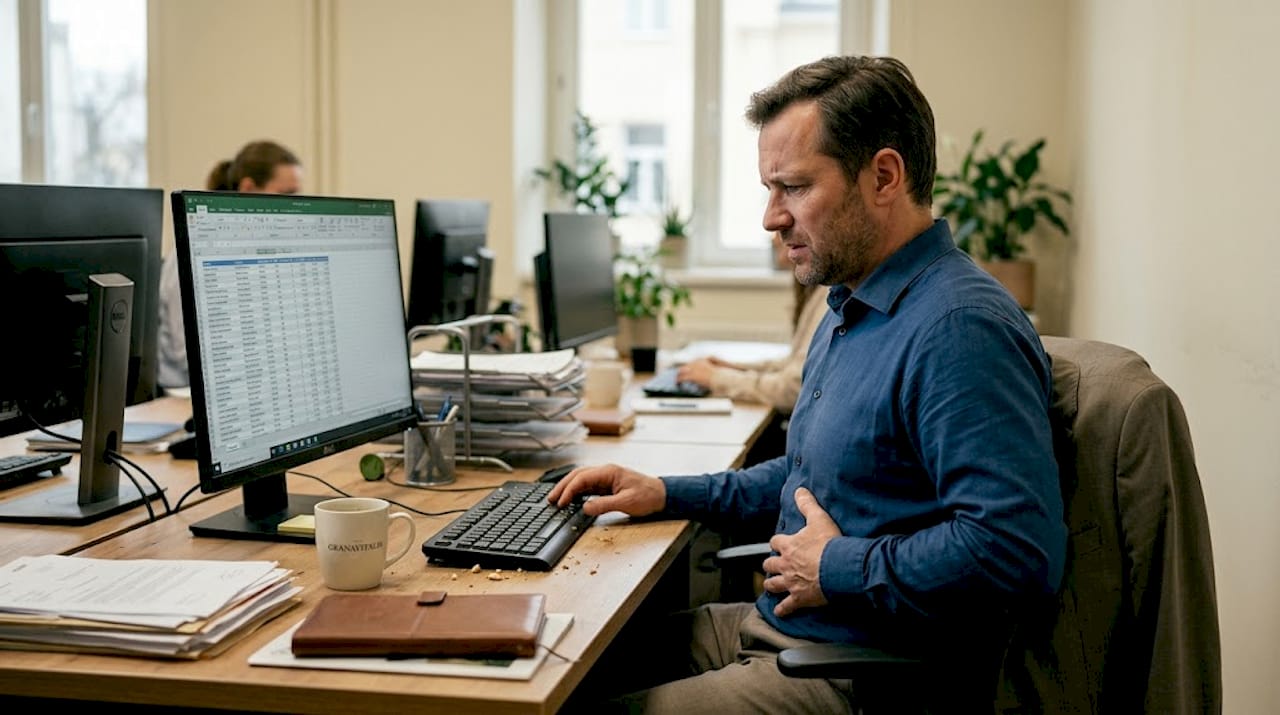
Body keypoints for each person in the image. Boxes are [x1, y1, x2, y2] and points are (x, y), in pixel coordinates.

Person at [549, 54, 1066, 713]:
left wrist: (837, 566)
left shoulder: (958, 328)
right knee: (562, 660)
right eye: (770, 189)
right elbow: (804, 477)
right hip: (784, 630)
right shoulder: (851, 306)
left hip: (861, 672)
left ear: (883, 175)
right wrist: (662, 491)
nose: (771, 217)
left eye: (792, 187)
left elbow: (1016, 551)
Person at [156, 140, 303, 388]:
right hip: (184, 394)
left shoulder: (264, 253)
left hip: (246, 387)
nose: (293, 206)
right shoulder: (197, 249)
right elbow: (190, 358)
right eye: (286, 194)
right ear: (248, 188)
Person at [674, 239, 826, 414]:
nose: (774, 237)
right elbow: (796, 365)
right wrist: (735, 368)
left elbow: (793, 388)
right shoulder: (817, 290)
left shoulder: (828, 297)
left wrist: (716, 378)